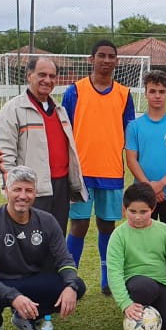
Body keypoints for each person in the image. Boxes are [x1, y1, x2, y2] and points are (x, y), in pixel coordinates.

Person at [0, 166, 85, 330]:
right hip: (1, 282)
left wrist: (71, 286)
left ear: (35, 193)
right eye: (17, 189)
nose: (23, 196)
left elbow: (64, 259)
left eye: (28, 190)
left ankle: (26, 317)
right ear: (6, 191)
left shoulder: (47, 221)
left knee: (77, 286)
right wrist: (13, 296)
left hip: (32, 280)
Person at [62, 40, 136, 294]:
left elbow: (130, 132)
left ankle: (108, 279)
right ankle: (69, 279)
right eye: (101, 56)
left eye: (111, 56)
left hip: (112, 171)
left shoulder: (124, 95)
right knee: (79, 225)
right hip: (81, 173)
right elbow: (65, 130)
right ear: (90, 59)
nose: (106, 60)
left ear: (117, 61)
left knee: (107, 225)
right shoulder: (75, 91)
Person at [0, 56, 87, 233]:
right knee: (30, 241)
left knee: (56, 238)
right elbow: (3, 153)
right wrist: (11, 189)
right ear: (29, 76)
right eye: (42, 75)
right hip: (31, 189)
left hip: (60, 187)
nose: (47, 80)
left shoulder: (60, 110)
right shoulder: (13, 109)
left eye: (52, 76)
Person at [107, 183, 166, 330]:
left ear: (152, 209)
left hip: (162, 283)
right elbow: (114, 272)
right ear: (125, 210)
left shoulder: (164, 231)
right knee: (144, 288)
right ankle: (135, 310)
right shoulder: (118, 235)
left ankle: (155, 311)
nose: (137, 217)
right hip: (136, 284)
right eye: (132, 211)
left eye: (143, 212)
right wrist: (125, 304)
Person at [124, 70, 166, 241]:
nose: (157, 96)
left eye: (161, 91)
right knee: (142, 241)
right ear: (145, 93)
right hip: (142, 195)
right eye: (152, 91)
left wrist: (161, 184)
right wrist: (150, 188)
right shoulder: (134, 126)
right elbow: (131, 160)